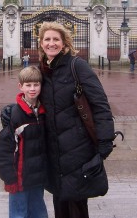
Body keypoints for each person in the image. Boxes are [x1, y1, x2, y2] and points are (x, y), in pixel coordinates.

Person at [37, 21, 115, 218]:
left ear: (64, 43)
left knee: (76, 205)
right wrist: (11, 112)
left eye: (56, 39)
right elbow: (30, 98)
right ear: (41, 43)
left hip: (77, 150)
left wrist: (105, 140)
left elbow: (100, 104)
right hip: (54, 151)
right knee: (60, 202)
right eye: (47, 39)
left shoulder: (77, 66)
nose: (51, 43)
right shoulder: (42, 70)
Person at [0, 66, 48, 218]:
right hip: (19, 179)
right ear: (21, 87)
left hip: (37, 177)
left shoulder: (44, 113)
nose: (32, 89)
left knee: (39, 213)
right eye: (28, 85)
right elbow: (4, 152)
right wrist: (9, 178)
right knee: (19, 214)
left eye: (36, 85)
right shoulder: (15, 116)